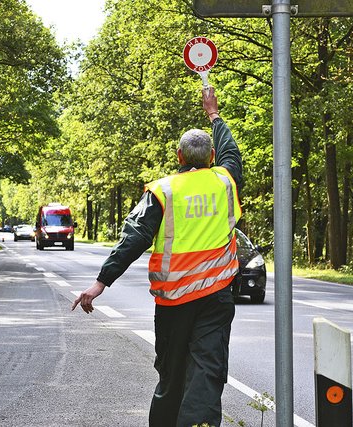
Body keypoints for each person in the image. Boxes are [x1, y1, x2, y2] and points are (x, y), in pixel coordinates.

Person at [72, 86, 243, 427]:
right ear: (211, 159)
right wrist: (214, 114)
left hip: (174, 302)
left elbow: (133, 238)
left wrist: (99, 283)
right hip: (216, 296)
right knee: (207, 369)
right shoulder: (225, 180)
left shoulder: (162, 190)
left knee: (172, 371)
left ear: (179, 157)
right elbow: (232, 151)